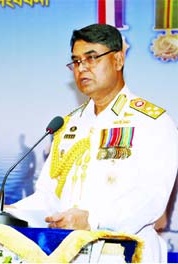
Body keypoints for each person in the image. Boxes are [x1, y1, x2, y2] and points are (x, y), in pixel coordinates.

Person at [10, 24, 178, 263]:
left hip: (124, 253)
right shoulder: (68, 125)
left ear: (118, 60)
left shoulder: (152, 122)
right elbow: (49, 194)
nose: (82, 68)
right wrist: (11, 214)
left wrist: (93, 219)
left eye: (91, 58)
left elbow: (151, 198)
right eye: (76, 62)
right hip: (68, 253)